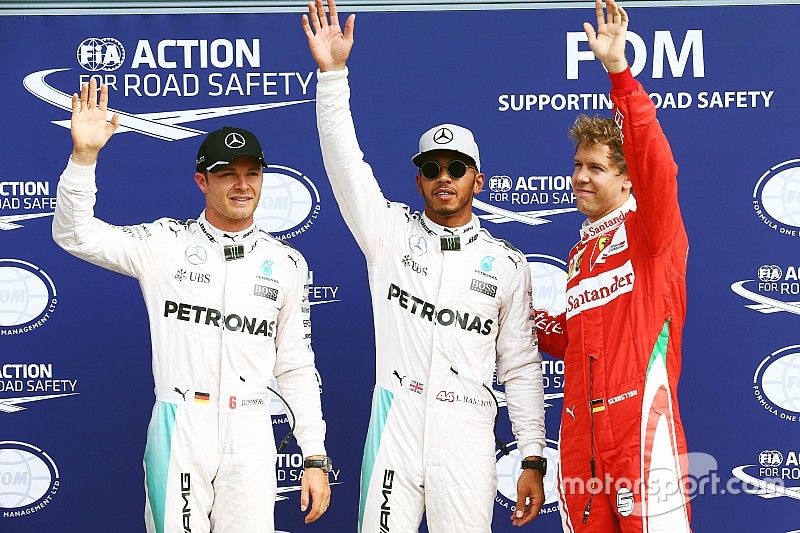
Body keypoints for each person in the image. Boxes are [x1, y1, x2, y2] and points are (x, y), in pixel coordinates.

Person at [302, 0, 546, 530]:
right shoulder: (388, 232)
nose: (443, 176)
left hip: (468, 428)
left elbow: (522, 366)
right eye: (431, 167)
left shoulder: (505, 263)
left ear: (476, 181)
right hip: (397, 419)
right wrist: (332, 78)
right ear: (418, 180)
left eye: (456, 167)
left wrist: (531, 455)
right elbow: (345, 164)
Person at [52, 78, 331, 533]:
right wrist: (84, 158)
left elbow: (297, 366)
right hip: (181, 423)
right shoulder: (163, 243)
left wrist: (315, 455)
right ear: (203, 181)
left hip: (252, 429)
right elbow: (74, 234)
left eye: (252, 173)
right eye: (227, 174)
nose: (242, 185)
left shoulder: (286, 263)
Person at [534, 1, 692, 531]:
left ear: (627, 181)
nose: (580, 176)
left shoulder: (652, 231)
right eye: (577, 165)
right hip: (582, 440)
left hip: (642, 430)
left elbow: (655, 159)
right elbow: (582, 340)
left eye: (596, 167)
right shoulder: (582, 251)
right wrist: (526, 321)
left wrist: (620, 76)